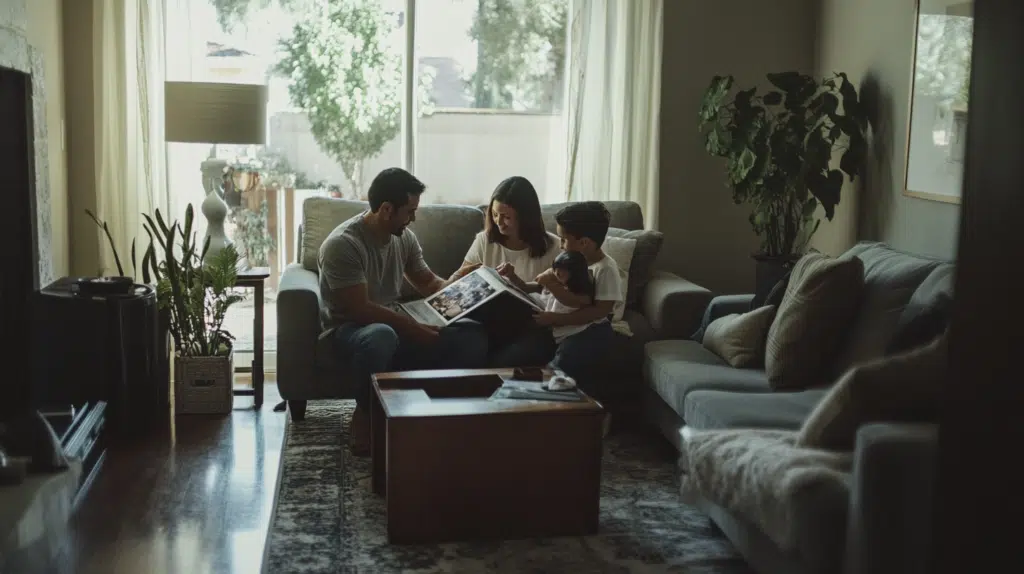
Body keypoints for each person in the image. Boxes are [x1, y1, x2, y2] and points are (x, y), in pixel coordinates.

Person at [318, 167, 489, 455]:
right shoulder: (343, 245)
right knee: (381, 336)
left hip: (396, 321)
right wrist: (414, 329)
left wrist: (464, 282)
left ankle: (436, 410)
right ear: (387, 209)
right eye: (410, 212)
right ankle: (365, 414)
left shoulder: (404, 237)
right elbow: (360, 309)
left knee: (472, 334)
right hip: (351, 329)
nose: (413, 218)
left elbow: (430, 284)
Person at [451, 176, 561, 366]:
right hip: (488, 324)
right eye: (494, 214)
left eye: (507, 217)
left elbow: (563, 298)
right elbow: (458, 282)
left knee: (506, 360)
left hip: (532, 327)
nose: (499, 222)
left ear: (526, 217)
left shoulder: (555, 247)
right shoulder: (485, 241)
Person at [532, 201, 624, 380]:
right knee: (522, 351)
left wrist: (556, 319)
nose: (560, 246)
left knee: (562, 365)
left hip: (590, 330)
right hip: (562, 326)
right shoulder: (569, 262)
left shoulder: (606, 269)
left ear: (583, 243)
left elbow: (600, 311)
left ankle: (552, 391)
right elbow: (545, 284)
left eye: (563, 240)